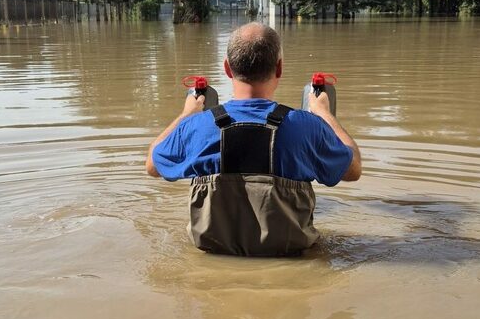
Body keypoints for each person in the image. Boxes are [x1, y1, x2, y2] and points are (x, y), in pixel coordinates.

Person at [145, 22, 361, 256]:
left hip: (215, 261)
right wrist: (323, 113)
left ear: (227, 69)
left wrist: (187, 114)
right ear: (279, 68)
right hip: (291, 261)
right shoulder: (307, 126)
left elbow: (152, 166)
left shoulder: (196, 126)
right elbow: (353, 170)